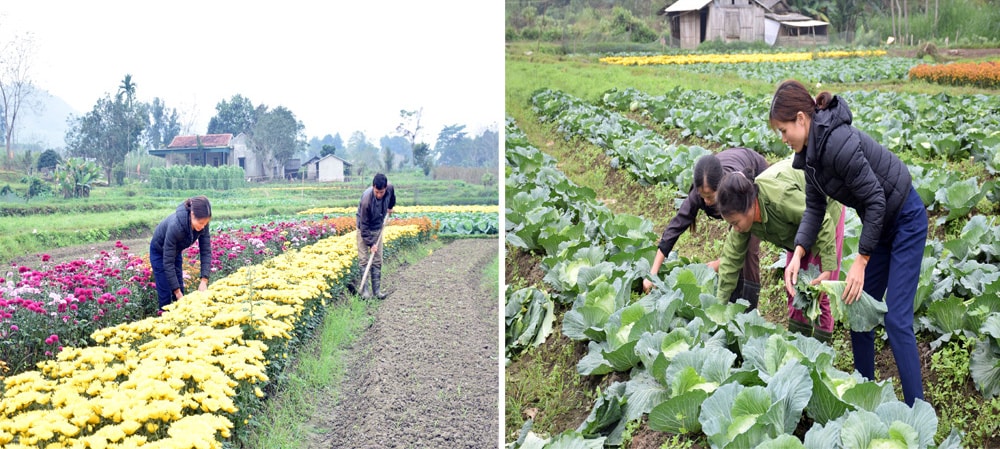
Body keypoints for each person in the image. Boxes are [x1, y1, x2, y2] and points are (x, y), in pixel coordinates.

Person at [771, 79, 927, 406]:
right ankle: (864, 398)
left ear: (802, 119)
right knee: (860, 315)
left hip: (905, 219)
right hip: (880, 227)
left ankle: (918, 409)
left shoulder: (837, 141)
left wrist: (861, 261)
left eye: (784, 130)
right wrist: (798, 253)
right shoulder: (810, 158)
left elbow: (876, 200)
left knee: (897, 320)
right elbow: (814, 208)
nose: (782, 139)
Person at [714, 159, 845, 343]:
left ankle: (821, 353)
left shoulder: (780, 198)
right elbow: (730, 262)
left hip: (825, 210)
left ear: (750, 206)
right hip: (796, 229)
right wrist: (719, 309)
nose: (734, 228)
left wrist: (828, 269)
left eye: (735, 223)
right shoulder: (742, 222)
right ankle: (798, 350)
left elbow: (821, 219)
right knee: (795, 291)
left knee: (819, 293)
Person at [643, 148, 769, 310]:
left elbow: (740, 247)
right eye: (703, 196)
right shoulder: (701, 192)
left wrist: (717, 264)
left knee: (749, 250)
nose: (706, 201)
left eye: (710, 196)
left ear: (721, 188)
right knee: (733, 255)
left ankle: (750, 310)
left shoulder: (734, 188)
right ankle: (730, 302)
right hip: (729, 164)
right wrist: (652, 274)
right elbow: (676, 227)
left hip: (755, 172)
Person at [150, 195, 212, 310]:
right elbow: (168, 263)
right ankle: (164, 324)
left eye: (205, 223)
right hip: (159, 252)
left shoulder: (203, 222)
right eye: (201, 223)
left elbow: (206, 251)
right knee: (166, 296)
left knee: (180, 291)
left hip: (176, 250)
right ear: (192, 214)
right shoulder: (176, 227)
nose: (203, 226)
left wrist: (204, 280)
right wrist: (177, 293)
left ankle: (180, 324)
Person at [355, 173, 396, 299]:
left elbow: (392, 198)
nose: (379, 195)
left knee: (377, 260)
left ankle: (377, 292)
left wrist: (390, 207)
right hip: (363, 229)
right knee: (364, 259)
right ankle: (365, 293)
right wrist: (371, 244)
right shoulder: (366, 201)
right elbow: (364, 226)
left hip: (378, 227)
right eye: (377, 192)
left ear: (385, 188)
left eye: (382, 192)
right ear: (373, 187)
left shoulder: (389, 188)